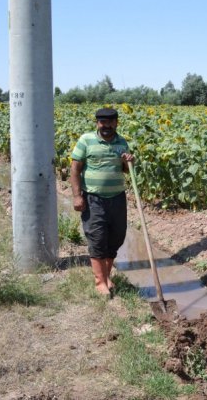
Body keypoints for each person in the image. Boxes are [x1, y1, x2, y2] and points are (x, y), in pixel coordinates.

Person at [70, 108, 134, 298]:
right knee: (97, 238)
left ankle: (107, 276)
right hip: (93, 198)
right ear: (97, 123)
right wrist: (76, 195)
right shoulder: (86, 140)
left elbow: (125, 169)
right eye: (102, 122)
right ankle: (100, 282)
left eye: (110, 122)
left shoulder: (122, 142)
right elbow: (75, 169)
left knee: (116, 237)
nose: (106, 126)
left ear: (116, 123)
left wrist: (129, 161)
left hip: (117, 198)